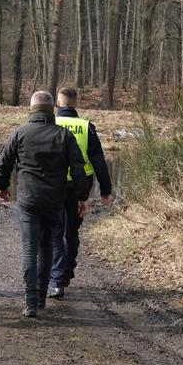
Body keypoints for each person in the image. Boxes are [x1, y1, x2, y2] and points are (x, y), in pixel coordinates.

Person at [0, 91, 89, 318]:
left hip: (28, 199)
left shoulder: (20, 133)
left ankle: (29, 303)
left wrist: (2, 186)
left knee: (30, 247)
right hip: (54, 200)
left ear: (31, 110)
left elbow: (3, 161)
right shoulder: (64, 135)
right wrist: (81, 196)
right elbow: (79, 169)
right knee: (46, 245)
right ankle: (40, 298)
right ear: (52, 110)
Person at [48, 87, 113, 299]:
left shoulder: (51, 124)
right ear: (75, 104)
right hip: (81, 185)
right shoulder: (86, 127)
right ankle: (67, 271)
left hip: (55, 183)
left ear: (57, 103)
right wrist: (105, 189)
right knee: (72, 231)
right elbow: (98, 161)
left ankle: (57, 279)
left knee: (55, 231)